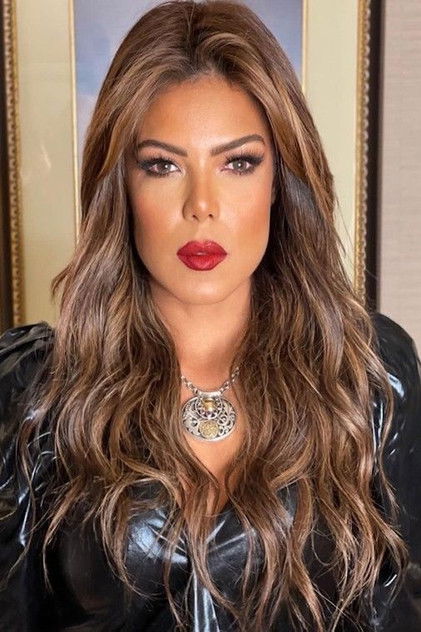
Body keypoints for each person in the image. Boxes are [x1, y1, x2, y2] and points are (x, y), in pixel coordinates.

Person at [0, 1, 420, 630]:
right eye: (163, 165)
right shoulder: (31, 392)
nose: (202, 205)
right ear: (123, 187)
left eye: (238, 163)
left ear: (279, 181)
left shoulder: (369, 374)